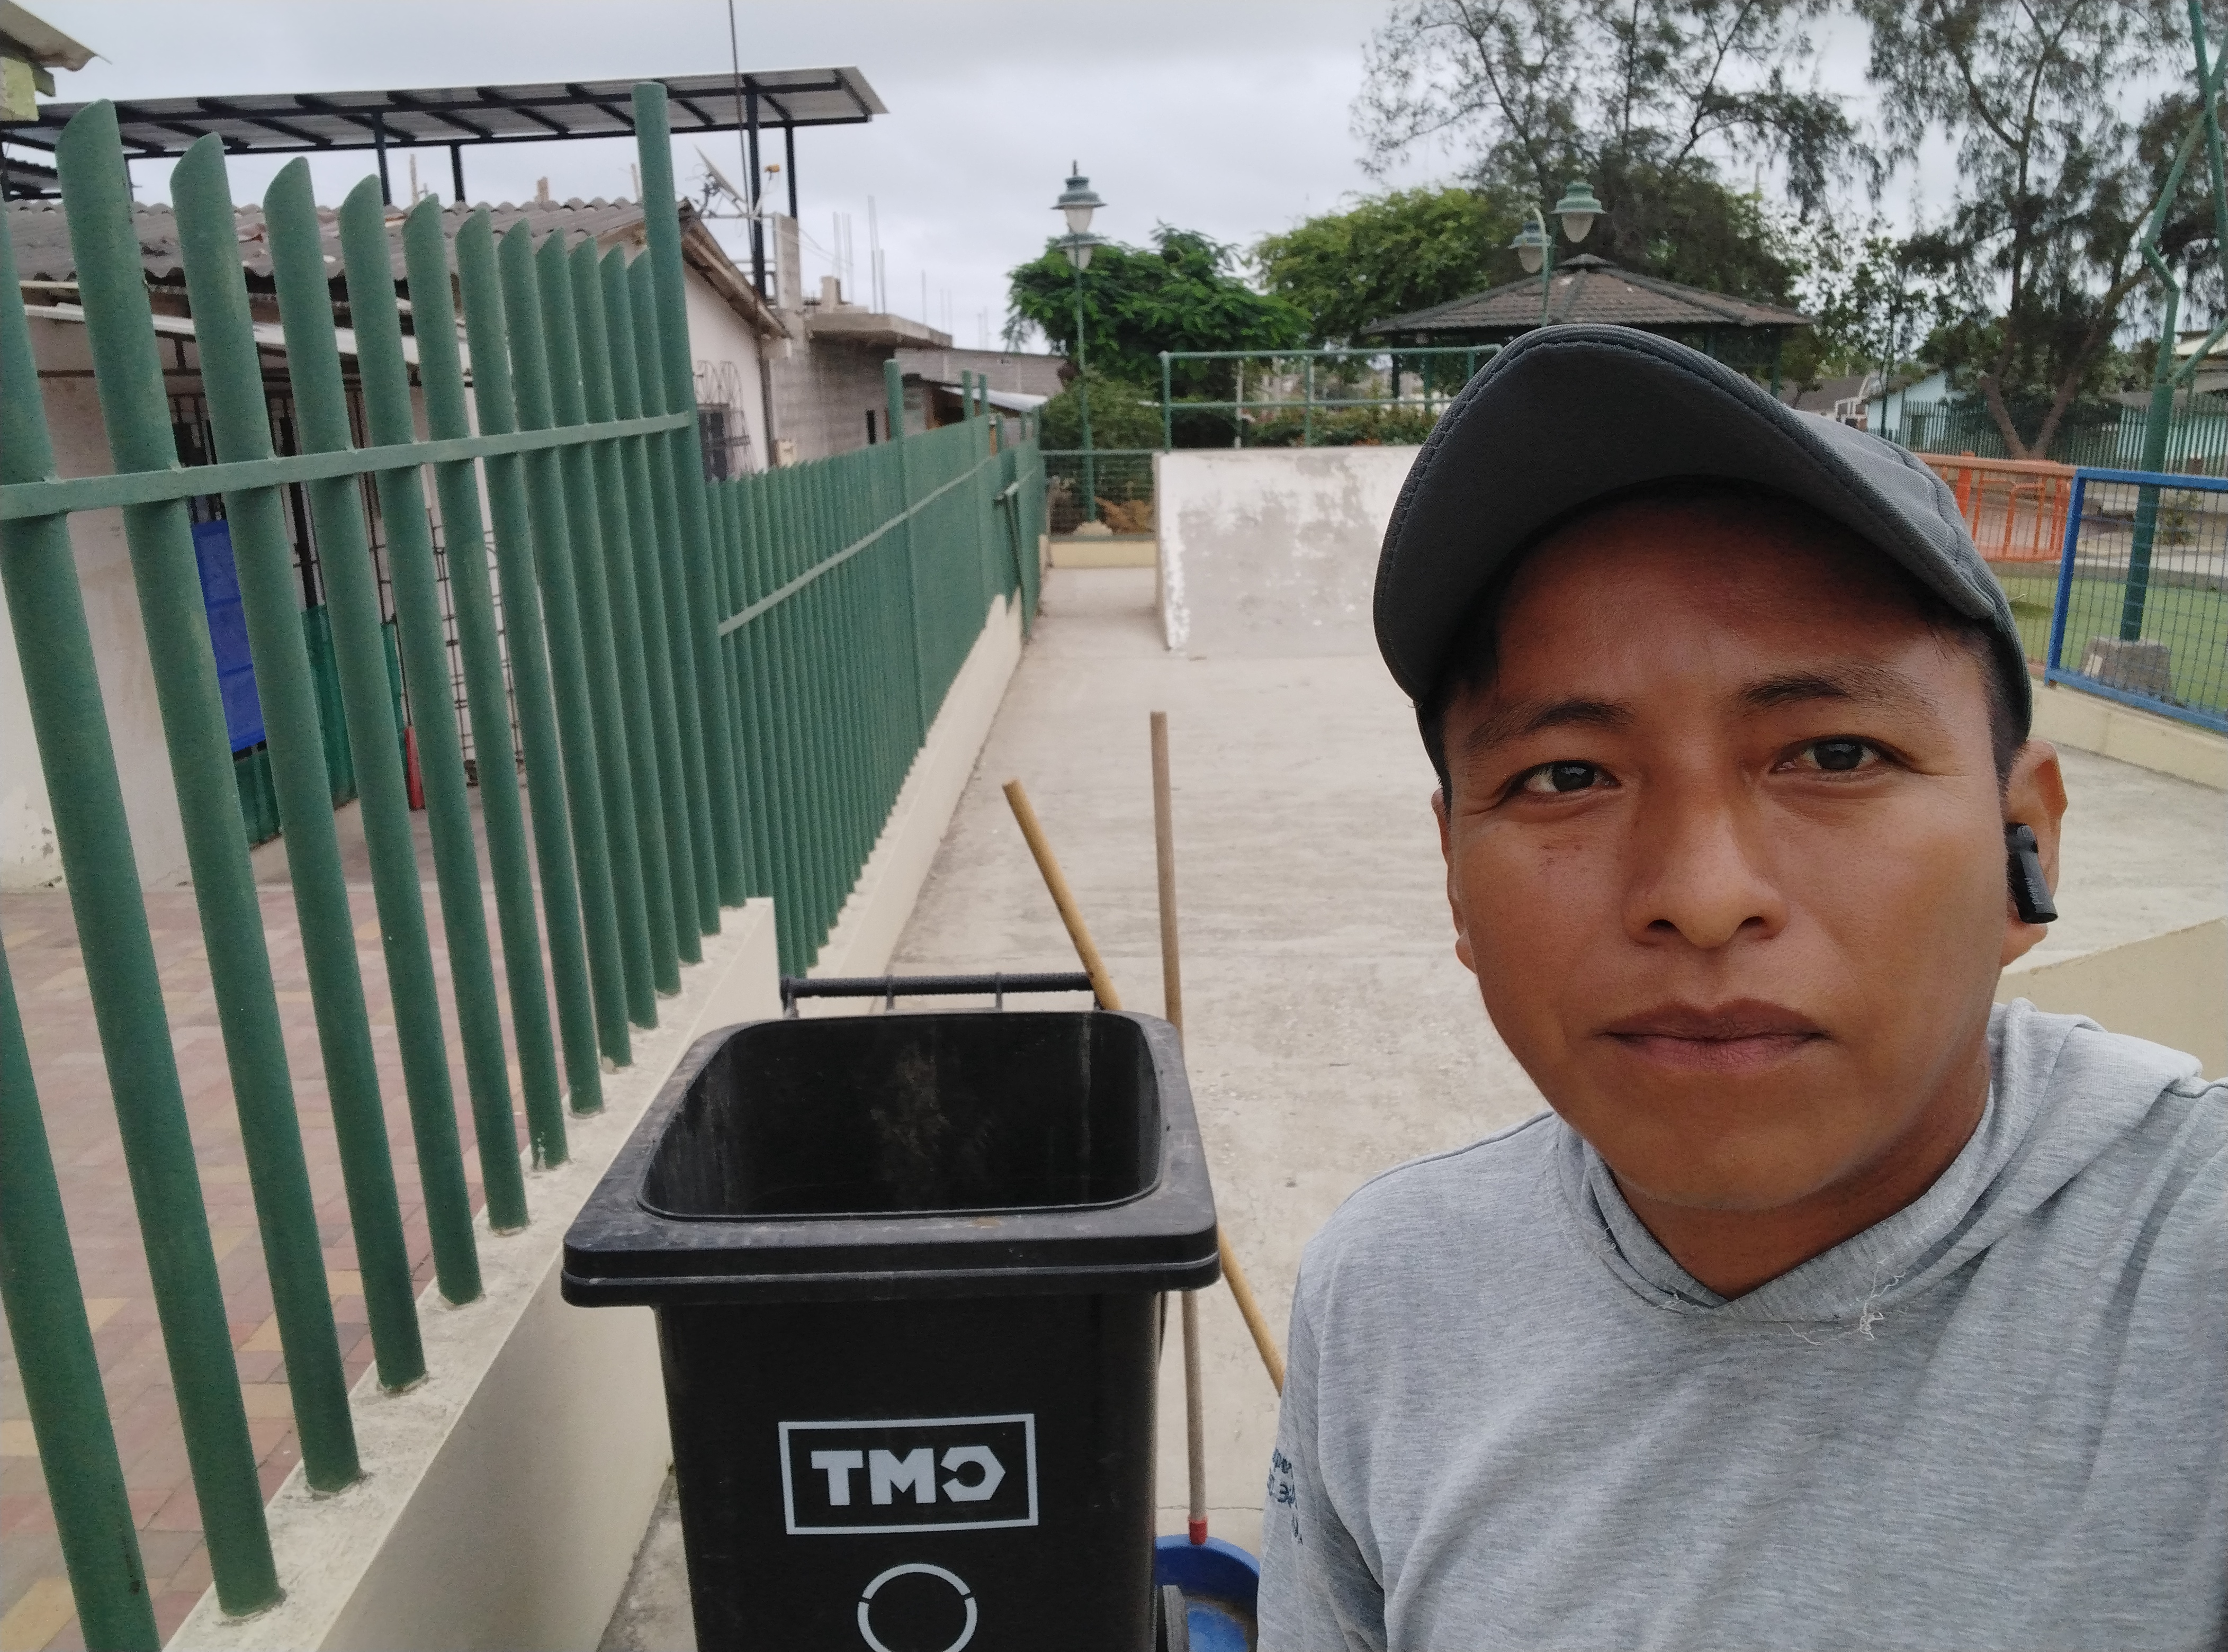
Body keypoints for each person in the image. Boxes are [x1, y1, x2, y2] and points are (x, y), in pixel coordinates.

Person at [1257, 326, 2225, 1650]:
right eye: (1564, 777)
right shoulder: (1388, 1293)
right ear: (1453, 881)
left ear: (2025, 849)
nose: (1702, 895)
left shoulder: (2189, 1279)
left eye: (1833, 754)